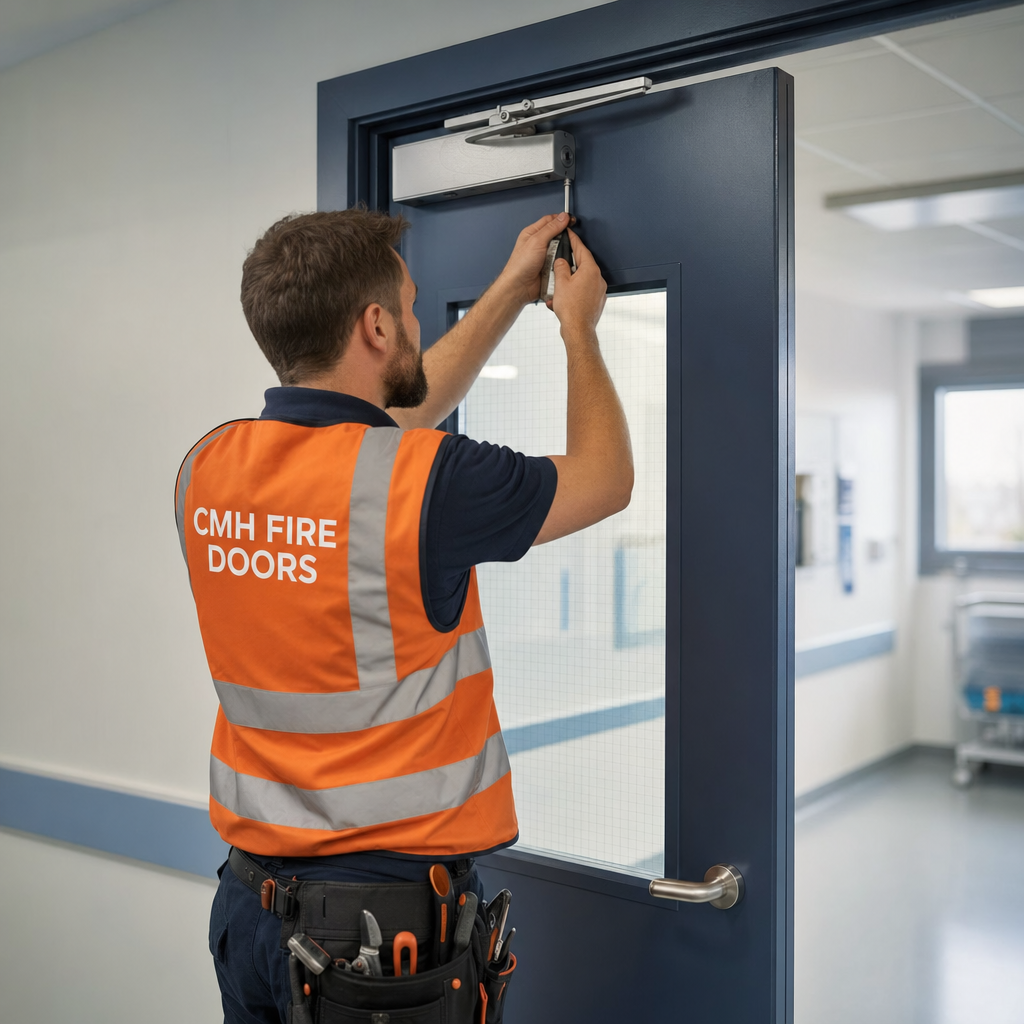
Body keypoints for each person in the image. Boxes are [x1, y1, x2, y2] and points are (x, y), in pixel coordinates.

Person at [175, 207, 632, 1024]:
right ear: (377, 325)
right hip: (378, 948)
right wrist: (578, 329)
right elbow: (604, 478)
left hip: (249, 912)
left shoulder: (207, 468)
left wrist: (506, 291)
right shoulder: (428, 482)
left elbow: (383, 433)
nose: (421, 323)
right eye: (413, 307)